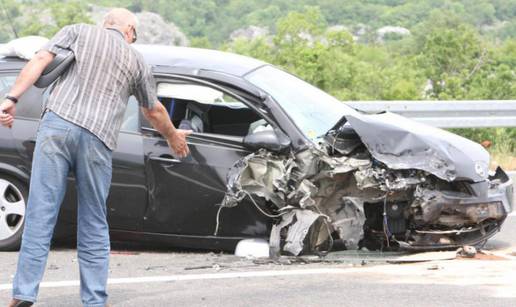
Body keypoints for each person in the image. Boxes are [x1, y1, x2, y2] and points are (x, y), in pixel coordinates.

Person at [0, 8, 191, 307]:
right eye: (135, 35)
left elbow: (40, 59)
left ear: (106, 24)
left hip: (58, 126)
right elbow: (152, 109)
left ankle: (24, 293)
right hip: (98, 137)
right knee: (93, 221)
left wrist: (11, 99)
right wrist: (173, 136)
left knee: (40, 212)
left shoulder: (77, 31)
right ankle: (94, 300)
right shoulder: (136, 60)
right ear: (129, 31)